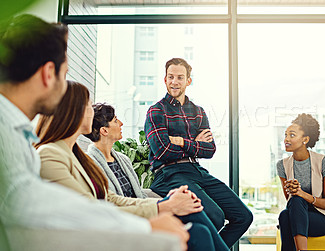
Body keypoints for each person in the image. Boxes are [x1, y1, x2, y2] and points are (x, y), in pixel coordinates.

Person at [0, 14, 187, 250]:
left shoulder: (15, 133)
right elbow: (37, 204)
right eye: (64, 74)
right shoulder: (13, 138)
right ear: (49, 74)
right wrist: (147, 227)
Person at [36, 81, 226, 251]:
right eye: (88, 106)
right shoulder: (51, 154)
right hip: (102, 232)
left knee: (196, 216)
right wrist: (162, 208)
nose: (92, 112)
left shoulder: (78, 157)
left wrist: (165, 203)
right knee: (199, 232)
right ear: (72, 112)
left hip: (116, 220)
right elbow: (91, 212)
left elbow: (113, 199)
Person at [85, 102, 229, 251]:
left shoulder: (123, 159)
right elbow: (111, 203)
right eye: (115, 120)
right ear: (104, 131)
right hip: (132, 216)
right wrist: (163, 204)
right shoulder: (91, 164)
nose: (121, 123)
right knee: (200, 230)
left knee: (190, 204)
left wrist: (168, 199)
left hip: (143, 207)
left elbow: (139, 194)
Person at [144, 57, 253, 248]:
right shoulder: (156, 111)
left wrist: (180, 141)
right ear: (165, 79)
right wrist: (194, 143)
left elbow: (209, 150)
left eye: (179, 77)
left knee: (243, 216)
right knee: (215, 216)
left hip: (196, 170)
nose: (174, 82)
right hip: (168, 174)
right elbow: (162, 151)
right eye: (170, 77)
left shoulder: (198, 111)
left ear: (188, 81)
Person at [277, 113, 325, 251]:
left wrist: (302, 194)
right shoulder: (282, 165)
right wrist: (293, 191)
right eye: (285, 135)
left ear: (305, 139)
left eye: (292, 135)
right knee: (285, 214)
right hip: (298, 216)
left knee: (294, 205)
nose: (286, 139)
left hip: (323, 218)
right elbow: (289, 200)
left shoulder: (324, 161)